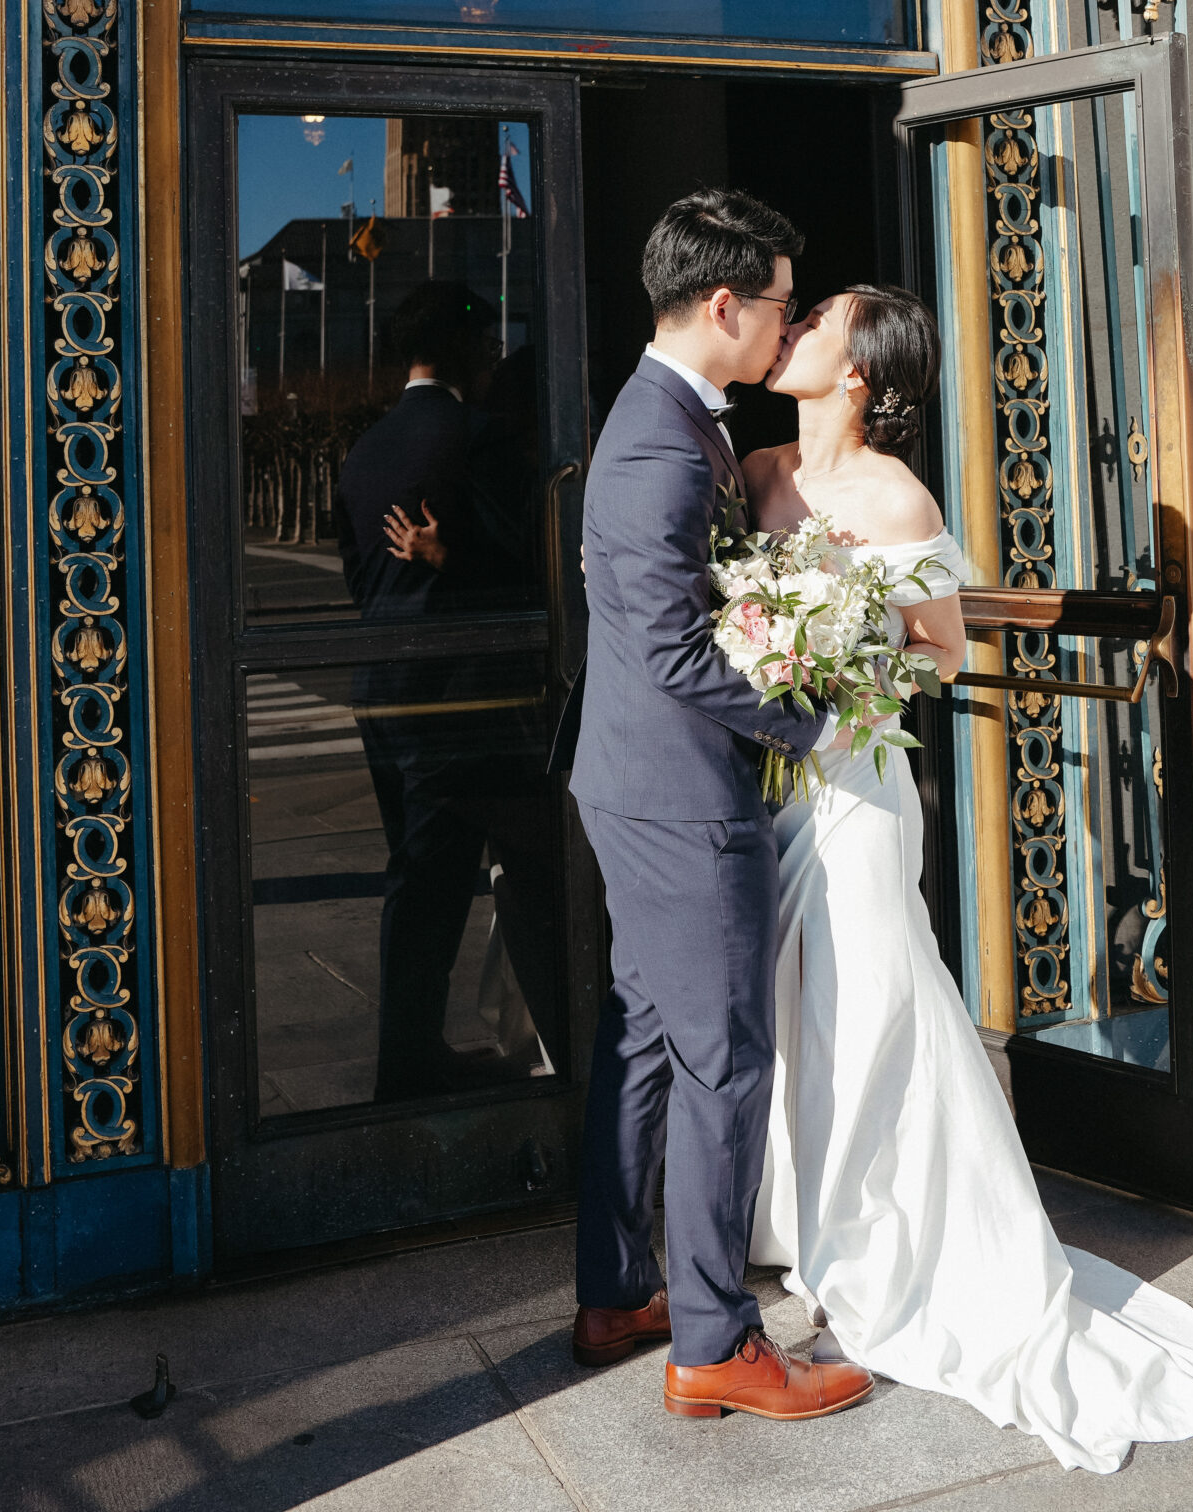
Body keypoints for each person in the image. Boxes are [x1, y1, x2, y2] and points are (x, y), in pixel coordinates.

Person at [742, 283, 1193, 1475]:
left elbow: (940, 651)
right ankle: (794, 1223)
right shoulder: (751, 468)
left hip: (857, 792)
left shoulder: (897, 494)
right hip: (768, 791)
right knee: (776, 1006)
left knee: (867, 1004)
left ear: (859, 367)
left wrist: (829, 650)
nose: (796, 325)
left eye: (818, 319)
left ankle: (883, 1240)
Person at [556, 191, 872, 1424]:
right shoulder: (652, 440)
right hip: (677, 799)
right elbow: (678, 653)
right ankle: (713, 1341)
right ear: (727, 303)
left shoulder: (678, 422)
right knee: (725, 1058)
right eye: (783, 301)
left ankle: (618, 1291)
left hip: (647, 787)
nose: (788, 323)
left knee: (644, 1036)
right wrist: (816, 718)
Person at [337, 281, 557, 1100]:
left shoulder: (365, 449)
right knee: (479, 875)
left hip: (380, 684)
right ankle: (417, 1061)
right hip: (461, 695)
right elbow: (528, 566)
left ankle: (414, 1050)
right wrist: (452, 560)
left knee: (419, 872)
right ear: (466, 349)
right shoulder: (480, 438)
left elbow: (359, 577)